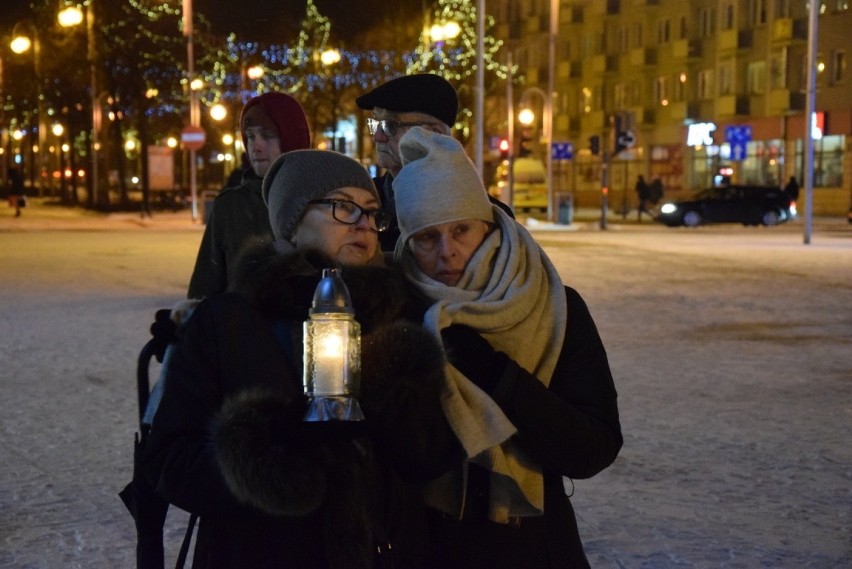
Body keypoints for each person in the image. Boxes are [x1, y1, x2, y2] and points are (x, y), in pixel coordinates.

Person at [142, 149, 460, 569]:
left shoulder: (401, 318)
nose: (364, 223)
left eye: (371, 212)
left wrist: (390, 397)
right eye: (344, 207)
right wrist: (273, 463)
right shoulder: (227, 321)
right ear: (291, 222)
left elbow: (432, 460)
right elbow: (168, 460)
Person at [391, 127, 623, 569]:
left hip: (533, 546)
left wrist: (499, 377)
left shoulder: (553, 305)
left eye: (462, 230)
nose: (448, 253)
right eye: (427, 237)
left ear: (489, 226)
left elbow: (593, 448)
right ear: (406, 244)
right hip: (427, 547)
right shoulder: (396, 313)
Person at [356, 73, 513, 251]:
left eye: (390, 125)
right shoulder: (359, 203)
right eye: (376, 124)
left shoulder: (487, 215)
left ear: (434, 133)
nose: (378, 137)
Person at [187, 92, 311, 299]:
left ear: (292, 139)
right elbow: (206, 287)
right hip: (240, 328)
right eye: (251, 136)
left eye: (267, 135)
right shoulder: (229, 206)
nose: (256, 145)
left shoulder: (322, 199)